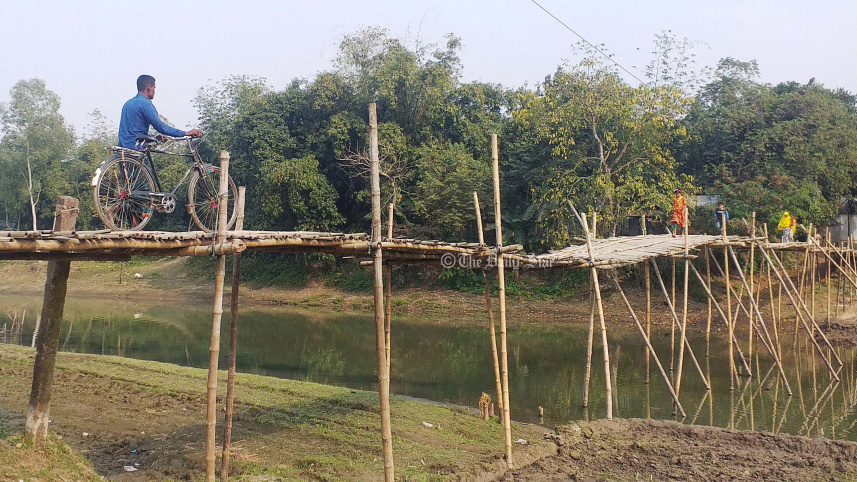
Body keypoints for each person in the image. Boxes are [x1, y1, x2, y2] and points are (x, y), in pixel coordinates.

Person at [118, 75, 202, 149]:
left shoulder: (127, 104)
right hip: (136, 150)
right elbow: (161, 127)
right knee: (147, 167)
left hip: (122, 151)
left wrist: (155, 137)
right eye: (154, 88)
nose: (154, 91)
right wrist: (185, 133)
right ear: (149, 87)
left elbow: (131, 133)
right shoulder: (145, 104)